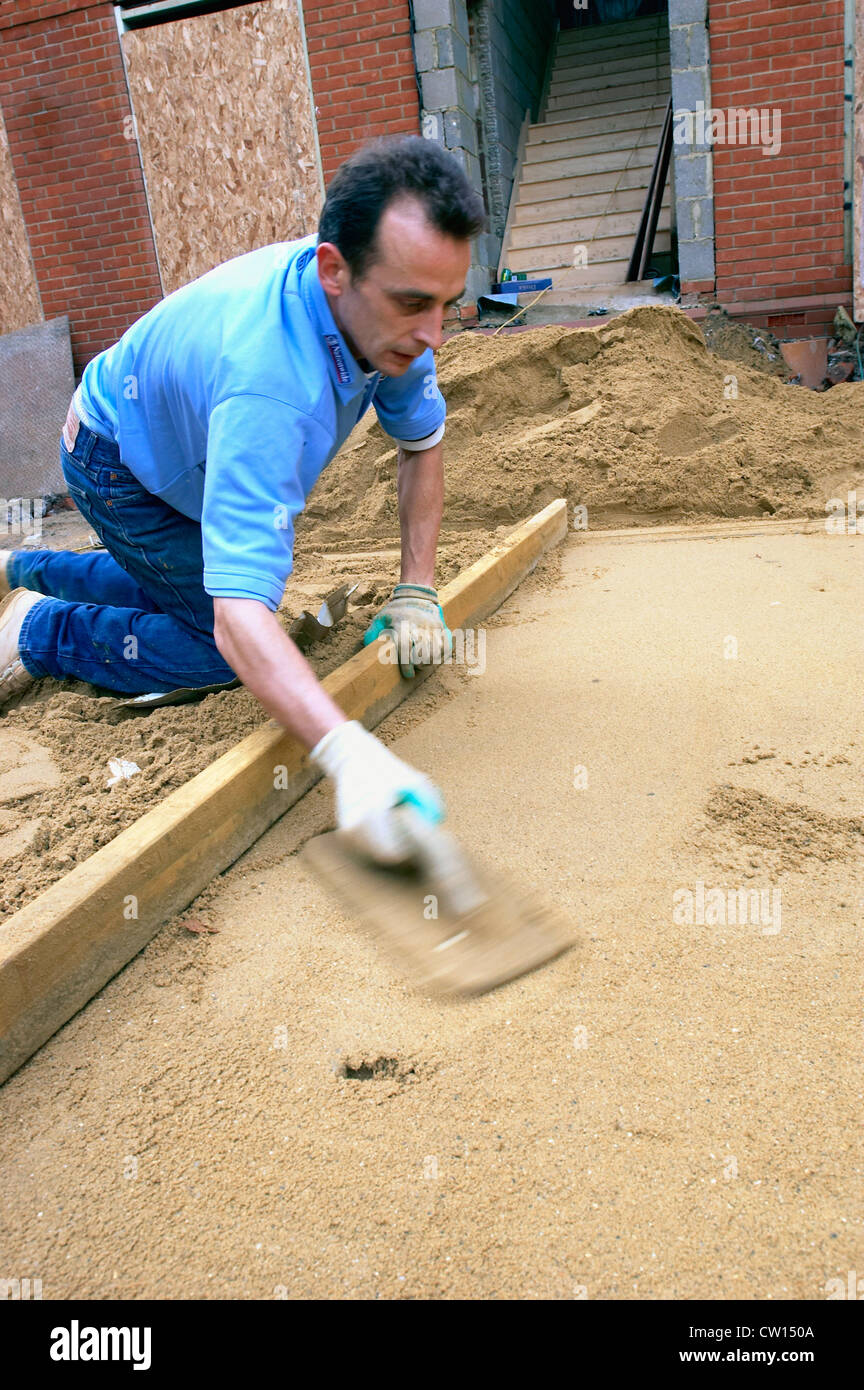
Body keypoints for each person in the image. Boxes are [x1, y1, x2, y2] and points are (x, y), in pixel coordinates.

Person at [0, 135, 487, 864]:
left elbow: (421, 443)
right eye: (415, 304)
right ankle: (39, 635)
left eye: (447, 304)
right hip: (114, 458)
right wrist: (349, 754)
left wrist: (416, 589)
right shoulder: (272, 385)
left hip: (181, 442)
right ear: (334, 270)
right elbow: (236, 624)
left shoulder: (387, 316)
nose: (434, 336)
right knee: (214, 644)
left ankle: (21, 569)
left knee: (190, 585)